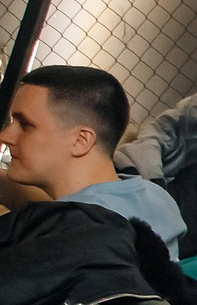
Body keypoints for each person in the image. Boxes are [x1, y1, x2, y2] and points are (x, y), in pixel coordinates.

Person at [0, 65, 187, 257]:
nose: (5, 136)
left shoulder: (72, 235)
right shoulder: (153, 197)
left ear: (81, 140)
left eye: (25, 125)